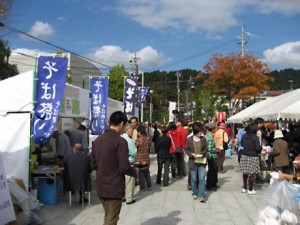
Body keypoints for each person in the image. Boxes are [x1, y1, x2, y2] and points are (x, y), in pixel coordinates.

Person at [91, 111, 137, 225]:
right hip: (114, 187)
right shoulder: (120, 141)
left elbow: (93, 164)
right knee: (111, 220)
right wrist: (134, 171)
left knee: (109, 216)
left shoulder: (97, 141)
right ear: (121, 124)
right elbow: (124, 167)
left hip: (101, 186)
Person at [185, 122, 208, 203]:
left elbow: (206, 149)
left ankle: (202, 195)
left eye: (201, 132)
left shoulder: (203, 139)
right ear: (195, 132)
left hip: (201, 161)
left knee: (202, 179)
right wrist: (191, 154)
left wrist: (202, 154)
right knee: (194, 179)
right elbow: (186, 149)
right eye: (199, 132)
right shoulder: (189, 139)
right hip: (193, 161)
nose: (200, 134)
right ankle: (194, 192)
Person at [240, 123, 262, 195]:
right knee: (252, 173)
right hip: (253, 156)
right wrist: (260, 148)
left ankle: (244, 187)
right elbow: (257, 148)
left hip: (244, 155)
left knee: (245, 172)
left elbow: (242, 144)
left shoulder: (243, 136)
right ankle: (250, 189)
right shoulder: (255, 137)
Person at [120, 123, 137, 204]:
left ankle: (122, 196)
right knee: (129, 180)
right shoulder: (129, 140)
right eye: (131, 130)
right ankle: (129, 198)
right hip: (129, 161)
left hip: (120, 162)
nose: (132, 131)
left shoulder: (120, 137)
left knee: (122, 181)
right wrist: (136, 149)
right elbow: (133, 152)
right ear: (127, 130)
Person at [135, 124, 152, 191]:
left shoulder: (138, 140)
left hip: (139, 158)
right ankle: (149, 186)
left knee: (141, 172)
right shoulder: (147, 139)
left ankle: (142, 187)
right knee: (147, 172)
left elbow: (135, 148)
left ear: (139, 132)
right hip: (146, 157)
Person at [205, 123, 219, 191]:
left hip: (209, 155)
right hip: (211, 156)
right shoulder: (210, 137)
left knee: (212, 170)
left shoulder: (206, 136)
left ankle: (211, 184)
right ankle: (210, 185)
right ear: (212, 129)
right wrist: (216, 149)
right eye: (215, 128)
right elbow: (210, 148)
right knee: (212, 170)